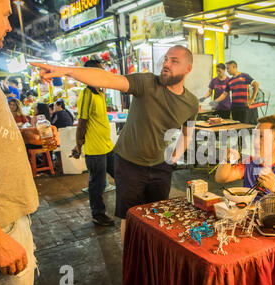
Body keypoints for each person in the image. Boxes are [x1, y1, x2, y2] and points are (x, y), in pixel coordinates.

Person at [32, 45, 199, 242]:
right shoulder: (146, 83)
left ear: (188, 68)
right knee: (129, 216)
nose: (166, 64)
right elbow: (108, 79)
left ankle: (152, 260)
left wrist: (173, 159)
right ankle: (131, 263)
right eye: (166, 59)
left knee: (158, 215)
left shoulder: (191, 103)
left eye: (174, 61)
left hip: (160, 166)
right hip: (129, 163)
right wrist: (66, 70)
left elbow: (187, 134)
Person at [0, 0, 39, 285]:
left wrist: (20, 133)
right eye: (5, 15)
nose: (10, 25)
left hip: (9, 220)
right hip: (0, 228)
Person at [215, 115, 275, 222]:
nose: (255, 142)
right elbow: (221, 178)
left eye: (261, 137)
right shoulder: (250, 162)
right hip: (250, 222)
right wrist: (226, 160)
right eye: (255, 136)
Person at [72, 60, 116, 226]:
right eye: (99, 72)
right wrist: (78, 145)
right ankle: (98, 214)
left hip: (108, 146)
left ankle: (128, 206)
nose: (103, 75)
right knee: (97, 184)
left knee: (120, 174)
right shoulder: (87, 95)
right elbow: (81, 122)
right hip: (95, 149)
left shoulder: (101, 93)